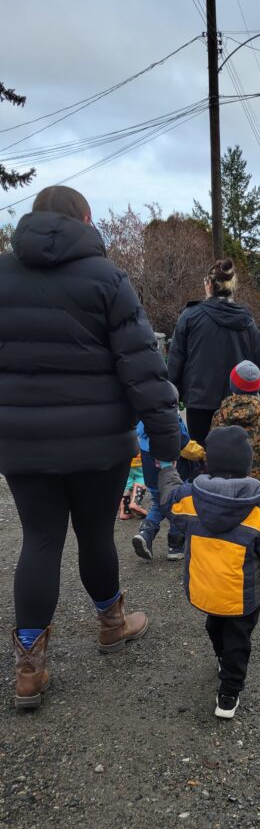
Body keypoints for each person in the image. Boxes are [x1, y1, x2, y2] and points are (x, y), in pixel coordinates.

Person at [0, 185, 181, 709]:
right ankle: (111, 625)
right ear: (85, 219)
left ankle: (29, 668)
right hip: (99, 444)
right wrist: (167, 442)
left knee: (39, 539)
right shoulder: (107, 278)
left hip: (23, 443)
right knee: (95, 534)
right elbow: (143, 367)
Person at [158, 426, 260, 719]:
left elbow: (168, 499)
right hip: (243, 597)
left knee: (215, 626)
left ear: (209, 463)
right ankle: (229, 693)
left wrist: (167, 468)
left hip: (206, 589)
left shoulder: (190, 499)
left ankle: (222, 658)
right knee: (238, 640)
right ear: (247, 465)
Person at [167, 258, 260, 447]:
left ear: (208, 285)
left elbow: (176, 359)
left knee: (200, 453)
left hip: (199, 400)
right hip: (239, 402)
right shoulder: (246, 320)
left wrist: (171, 393)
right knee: (235, 453)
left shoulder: (190, 316)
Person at [132, 418, 205, 561]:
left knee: (158, 504)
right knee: (178, 506)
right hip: (174, 476)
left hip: (152, 476)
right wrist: (202, 454)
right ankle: (175, 547)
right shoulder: (168, 421)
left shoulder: (143, 422)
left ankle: (145, 534)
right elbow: (185, 447)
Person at [210, 360, 260, 491]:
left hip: (226, 476)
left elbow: (214, 442)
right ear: (257, 387)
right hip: (257, 480)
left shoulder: (221, 414)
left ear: (232, 385)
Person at [119, 453, 147, 520]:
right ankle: (135, 503)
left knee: (127, 482)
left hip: (125, 460)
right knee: (142, 477)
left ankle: (125, 511)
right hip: (140, 460)